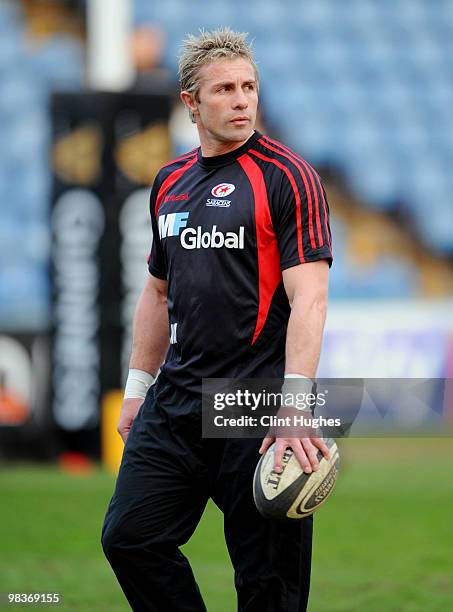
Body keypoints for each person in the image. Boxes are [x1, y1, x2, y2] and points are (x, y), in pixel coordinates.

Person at [102, 28, 333, 612]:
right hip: (175, 400)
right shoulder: (169, 183)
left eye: (249, 87)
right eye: (225, 89)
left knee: (266, 585)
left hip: (253, 404)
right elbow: (157, 295)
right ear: (191, 102)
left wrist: (295, 405)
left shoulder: (288, 176)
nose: (241, 100)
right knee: (130, 538)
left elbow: (310, 298)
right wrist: (136, 389)